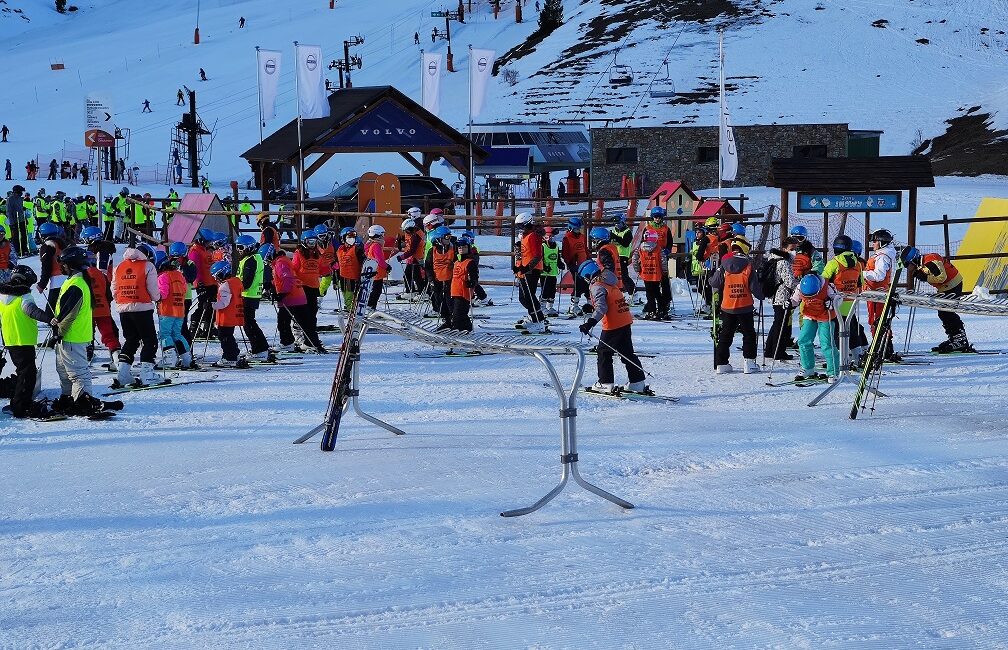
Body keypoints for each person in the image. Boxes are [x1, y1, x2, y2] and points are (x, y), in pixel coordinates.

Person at [50, 246, 116, 416]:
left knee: (78, 373)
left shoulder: (77, 284)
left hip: (72, 336)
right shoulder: (76, 281)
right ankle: (68, 398)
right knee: (64, 371)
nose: (61, 267)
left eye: (63, 264)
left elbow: (69, 314)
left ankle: (83, 401)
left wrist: (58, 333)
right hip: (69, 336)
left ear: (70, 265)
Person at [577, 259, 651, 395]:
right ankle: (637, 382)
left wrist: (590, 323)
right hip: (624, 320)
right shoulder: (609, 281)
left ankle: (605, 383)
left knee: (603, 352)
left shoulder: (596, 285)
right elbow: (608, 300)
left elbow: (602, 307)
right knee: (627, 353)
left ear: (587, 275)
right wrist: (591, 307)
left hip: (613, 324)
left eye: (584, 278)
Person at [0, 266, 55, 419]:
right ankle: (20, 406)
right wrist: (49, 319)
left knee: (23, 371)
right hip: (23, 340)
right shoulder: (24, 297)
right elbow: (31, 311)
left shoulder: (2, 297)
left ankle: (20, 402)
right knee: (27, 374)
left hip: (10, 341)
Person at [901, 246, 974, 353]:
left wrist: (925, 277)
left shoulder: (930, 261)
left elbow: (942, 277)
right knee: (943, 313)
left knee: (946, 312)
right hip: (946, 287)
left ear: (913, 260)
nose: (908, 268)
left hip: (953, 284)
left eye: (907, 264)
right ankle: (955, 338)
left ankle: (960, 340)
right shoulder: (922, 265)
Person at [708, 238, 762, 374]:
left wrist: (710, 277)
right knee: (749, 333)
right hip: (745, 305)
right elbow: (755, 287)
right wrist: (762, 295)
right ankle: (749, 363)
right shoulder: (749, 265)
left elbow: (714, 283)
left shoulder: (724, 264)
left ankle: (722, 363)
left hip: (728, 305)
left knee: (726, 334)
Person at [112, 243, 162, 388]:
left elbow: (114, 288)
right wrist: (157, 298)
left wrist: (120, 300)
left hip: (123, 308)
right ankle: (147, 373)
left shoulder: (119, 266)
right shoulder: (147, 266)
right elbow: (152, 288)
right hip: (142, 307)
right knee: (149, 340)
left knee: (131, 340)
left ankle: (123, 373)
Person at [261, 243, 325, 353]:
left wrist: (282, 294)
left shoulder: (280, 263)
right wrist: (271, 284)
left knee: (284, 322)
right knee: (304, 321)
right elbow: (282, 278)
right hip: (297, 295)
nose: (267, 262)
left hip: (291, 297)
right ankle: (311, 343)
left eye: (266, 259)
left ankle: (288, 344)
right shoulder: (282, 261)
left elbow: (287, 279)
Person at [822, 235, 869, 361]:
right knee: (851, 329)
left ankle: (842, 359)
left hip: (836, 302)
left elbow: (823, 282)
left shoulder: (833, 263)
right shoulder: (858, 264)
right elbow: (861, 283)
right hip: (851, 302)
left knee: (837, 331)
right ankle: (857, 356)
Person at [792, 274, 840, 383]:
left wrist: (832, 303)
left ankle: (833, 372)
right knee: (804, 341)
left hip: (825, 316)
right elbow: (795, 300)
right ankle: (808, 368)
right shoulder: (800, 286)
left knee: (826, 344)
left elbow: (838, 299)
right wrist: (789, 303)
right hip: (809, 315)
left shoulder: (827, 286)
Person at [862, 228, 899, 362]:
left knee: (877, 321)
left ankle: (882, 347)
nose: (873, 244)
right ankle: (883, 347)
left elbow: (879, 275)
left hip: (878, 293)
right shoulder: (881, 255)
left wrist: (862, 274)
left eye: (875, 241)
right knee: (876, 321)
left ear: (882, 243)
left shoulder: (883, 257)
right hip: (874, 293)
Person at [82, 244, 121, 368]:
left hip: (87, 310)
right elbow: (108, 294)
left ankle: (86, 355)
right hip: (103, 308)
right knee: (108, 335)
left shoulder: (81, 275)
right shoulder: (101, 274)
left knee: (87, 334)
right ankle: (117, 359)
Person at [154, 251, 195, 370]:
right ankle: (187, 358)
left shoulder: (163, 277)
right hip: (179, 310)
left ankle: (169, 358)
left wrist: (154, 296)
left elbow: (163, 294)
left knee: (165, 334)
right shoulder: (179, 274)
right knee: (177, 334)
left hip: (167, 310)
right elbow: (183, 289)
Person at [233, 236, 270, 360]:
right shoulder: (251, 258)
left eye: (241, 247)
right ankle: (261, 348)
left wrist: (236, 288)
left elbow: (247, 281)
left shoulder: (251, 260)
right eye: (237, 247)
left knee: (249, 324)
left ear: (248, 247)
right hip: (249, 295)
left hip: (248, 295)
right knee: (249, 323)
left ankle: (259, 350)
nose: (238, 250)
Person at [763, 236, 799, 362]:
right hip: (782, 297)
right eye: (792, 249)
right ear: (784, 248)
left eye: (796, 249)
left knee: (777, 323)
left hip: (775, 296)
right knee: (781, 325)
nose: (794, 251)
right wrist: (800, 284)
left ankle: (769, 350)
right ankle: (778, 351)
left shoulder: (774, 259)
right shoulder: (784, 262)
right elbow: (789, 281)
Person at [209, 261, 248, 368]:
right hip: (234, 314)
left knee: (224, 337)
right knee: (228, 336)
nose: (216, 279)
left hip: (226, 316)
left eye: (217, 276)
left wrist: (211, 305)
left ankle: (229, 357)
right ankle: (234, 353)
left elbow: (223, 303)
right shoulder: (236, 281)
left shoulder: (225, 286)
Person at [512, 213, 547, 332]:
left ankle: (539, 320)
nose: (521, 229)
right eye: (519, 227)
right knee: (523, 298)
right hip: (525, 270)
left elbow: (537, 255)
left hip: (532, 270)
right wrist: (519, 266)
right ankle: (534, 316)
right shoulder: (526, 236)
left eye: (522, 226)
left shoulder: (533, 236)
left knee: (529, 297)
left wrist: (527, 268)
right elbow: (525, 253)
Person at [188, 228, 217, 340]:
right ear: (201, 240)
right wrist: (199, 284)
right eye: (207, 242)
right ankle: (194, 327)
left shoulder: (205, 249)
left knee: (211, 307)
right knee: (203, 306)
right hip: (203, 284)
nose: (209, 244)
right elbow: (196, 269)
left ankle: (208, 329)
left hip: (212, 283)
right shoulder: (195, 251)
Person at [643, 207, 674, 313]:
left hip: (662, 256)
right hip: (651, 258)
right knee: (652, 282)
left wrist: (667, 250)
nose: (657, 219)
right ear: (652, 217)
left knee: (664, 279)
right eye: (655, 217)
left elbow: (670, 241)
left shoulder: (665, 228)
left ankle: (666, 301)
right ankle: (651, 303)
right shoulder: (648, 228)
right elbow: (643, 242)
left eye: (659, 217)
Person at [631, 231, 667, 320]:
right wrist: (665, 271)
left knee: (649, 293)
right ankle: (662, 310)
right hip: (656, 273)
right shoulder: (658, 248)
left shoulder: (640, 248)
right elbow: (663, 260)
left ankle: (652, 311)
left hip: (646, 273)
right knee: (657, 292)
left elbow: (634, 259)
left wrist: (638, 269)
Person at [292, 230, 322, 338]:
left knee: (313, 312)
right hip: (303, 287)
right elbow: (293, 268)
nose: (312, 245)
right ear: (304, 242)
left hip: (314, 286)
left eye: (314, 242)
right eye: (310, 242)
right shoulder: (299, 254)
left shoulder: (317, 253)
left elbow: (321, 267)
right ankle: (298, 332)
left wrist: (331, 267)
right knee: (303, 312)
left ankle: (311, 334)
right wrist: (295, 279)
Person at [448, 233, 479, 332]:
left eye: (464, 247)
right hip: (455, 291)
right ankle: (466, 328)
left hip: (463, 292)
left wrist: (472, 282)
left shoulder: (470, 262)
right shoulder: (457, 262)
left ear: (468, 248)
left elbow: (474, 276)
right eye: (459, 247)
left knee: (458, 314)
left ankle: (457, 328)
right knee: (458, 313)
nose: (461, 249)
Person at [425, 225, 455, 328]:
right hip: (436, 279)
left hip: (449, 279)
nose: (449, 239)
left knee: (450, 300)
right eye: (446, 237)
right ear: (439, 239)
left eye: (449, 237)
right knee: (439, 300)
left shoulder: (452, 249)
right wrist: (430, 278)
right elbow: (428, 266)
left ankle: (453, 319)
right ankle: (445, 319)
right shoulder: (432, 251)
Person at [36, 222, 66, 313]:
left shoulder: (47, 246)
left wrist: (42, 284)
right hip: (70, 277)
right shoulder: (62, 242)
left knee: (51, 312)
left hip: (57, 280)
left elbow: (46, 266)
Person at [561, 217, 589, 315]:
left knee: (587, 284)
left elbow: (585, 249)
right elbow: (565, 253)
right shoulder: (567, 238)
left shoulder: (582, 237)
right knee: (579, 284)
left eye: (579, 229)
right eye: (577, 229)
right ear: (571, 228)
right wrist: (570, 264)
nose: (578, 231)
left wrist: (588, 259)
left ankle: (590, 304)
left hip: (585, 265)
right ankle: (574, 306)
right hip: (575, 265)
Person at [609, 214, 636, 302]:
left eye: (619, 223)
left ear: (623, 222)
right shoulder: (614, 231)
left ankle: (633, 294)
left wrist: (615, 238)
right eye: (616, 224)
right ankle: (618, 294)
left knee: (624, 276)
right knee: (614, 276)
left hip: (623, 256)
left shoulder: (627, 231)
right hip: (614, 255)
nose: (617, 225)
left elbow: (625, 243)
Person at [396, 216, 425, 298]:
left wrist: (401, 257)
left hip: (417, 258)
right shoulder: (410, 232)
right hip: (411, 258)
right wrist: (399, 239)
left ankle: (422, 293)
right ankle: (410, 291)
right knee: (407, 275)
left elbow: (412, 250)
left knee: (417, 276)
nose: (406, 232)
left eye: (406, 230)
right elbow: (407, 242)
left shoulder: (417, 236)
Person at [364, 225, 391, 310]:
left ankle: (371, 307)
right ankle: (370, 306)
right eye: (382, 235)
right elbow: (380, 260)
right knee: (376, 291)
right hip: (377, 272)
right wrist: (387, 266)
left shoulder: (371, 244)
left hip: (374, 271)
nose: (383, 237)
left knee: (375, 290)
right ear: (377, 235)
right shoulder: (376, 246)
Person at [538, 227, 562, 317]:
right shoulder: (543, 246)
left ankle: (550, 306)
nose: (552, 239)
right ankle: (542, 307)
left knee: (552, 290)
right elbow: (540, 258)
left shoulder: (556, 246)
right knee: (545, 289)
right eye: (550, 237)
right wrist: (544, 267)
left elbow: (557, 257)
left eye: (553, 237)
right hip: (545, 272)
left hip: (553, 272)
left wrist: (560, 264)